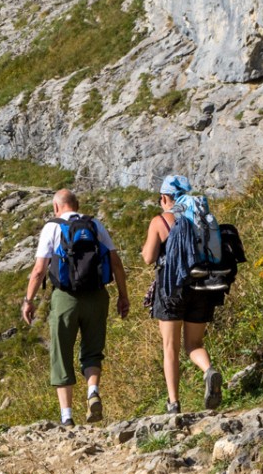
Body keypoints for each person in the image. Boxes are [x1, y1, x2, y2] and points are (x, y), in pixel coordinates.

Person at [21, 189, 130, 427]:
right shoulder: (94, 225)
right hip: (97, 296)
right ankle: (92, 391)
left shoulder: (52, 227)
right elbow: (116, 262)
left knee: (61, 353)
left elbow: (39, 269)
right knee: (92, 350)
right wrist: (123, 295)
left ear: (56, 207)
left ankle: (67, 416)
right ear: (77, 204)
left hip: (65, 298)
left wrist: (28, 300)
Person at [142, 174, 225, 414]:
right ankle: (209, 370)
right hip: (202, 287)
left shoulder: (161, 221)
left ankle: (173, 404)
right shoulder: (201, 217)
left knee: (170, 347)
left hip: (172, 290)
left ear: (166, 198)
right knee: (194, 344)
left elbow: (148, 258)